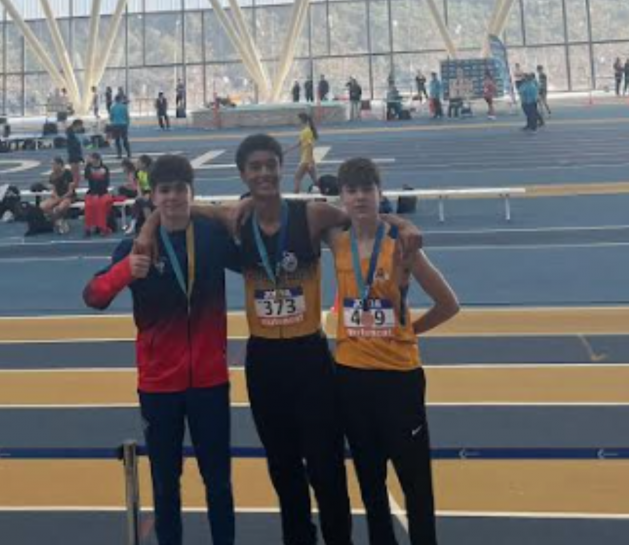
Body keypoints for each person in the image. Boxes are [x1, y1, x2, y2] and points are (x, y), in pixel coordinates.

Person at [135, 134, 422, 545]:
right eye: (255, 167)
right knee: (283, 469)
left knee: (325, 467)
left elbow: (363, 215)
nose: (264, 173)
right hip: (265, 361)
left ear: (281, 168)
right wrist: (148, 227)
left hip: (309, 359)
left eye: (270, 164)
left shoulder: (312, 215)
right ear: (243, 174)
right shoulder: (236, 220)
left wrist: (403, 223)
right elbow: (181, 206)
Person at [83, 154, 238, 545]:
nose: (172, 198)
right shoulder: (135, 248)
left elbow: (251, 248)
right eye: (164, 191)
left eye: (180, 190)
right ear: (152, 196)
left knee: (219, 482)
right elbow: (93, 296)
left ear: (191, 192)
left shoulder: (210, 237)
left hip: (210, 382)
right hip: (159, 386)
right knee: (166, 485)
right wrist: (124, 272)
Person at [327, 157, 459, 545]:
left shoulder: (403, 245)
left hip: (399, 380)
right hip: (351, 378)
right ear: (342, 197)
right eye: (351, 190)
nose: (359, 197)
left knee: (415, 482)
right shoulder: (336, 241)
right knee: (370, 482)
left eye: (367, 189)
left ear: (379, 193)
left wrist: (408, 332)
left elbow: (448, 304)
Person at [41, 156, 76, 235]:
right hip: (57, 196)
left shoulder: (68, 173)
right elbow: (53, 190)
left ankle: (59, 221)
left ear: (60, 165)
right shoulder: (52, 175)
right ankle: (58, 220)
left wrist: (62, 198)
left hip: (67, 196)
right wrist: (56, 197)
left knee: (61, 207)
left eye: (54, 164)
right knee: (43, 206)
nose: (52, 166)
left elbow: (70, 191)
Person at [287, 113, 319, 193]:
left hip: (306, 160)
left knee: (297, 178)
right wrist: (287, 150)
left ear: (301, 120)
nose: (296, 121)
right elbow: (300, 143)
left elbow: (310, 146)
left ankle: (296, 196)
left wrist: (310, 161)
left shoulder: (306, 131)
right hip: (309, 160)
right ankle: (325, 192)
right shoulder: (306, 131)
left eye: (297, 119)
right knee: (316, 181)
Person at [83, 152, 112, 237]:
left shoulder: (104, 169)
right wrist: (87, 165)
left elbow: (105, 183)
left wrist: (98, 194)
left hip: (103, 192)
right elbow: (86, 177)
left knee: (101, 205)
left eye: (91, 158)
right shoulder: (89, 168)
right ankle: (88, 227)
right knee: (89, 206)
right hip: (92, 192)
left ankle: (102, 227)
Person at [66, 119, 85, 188]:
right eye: (81, 126)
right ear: (77, 125)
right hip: (74, 155)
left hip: (75, 154)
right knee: (75, 173)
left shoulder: (72, 133)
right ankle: (74, 186)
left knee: (76, 173)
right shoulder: (70, 134)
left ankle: (75, 185)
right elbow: (73, 146)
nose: (81, 128)